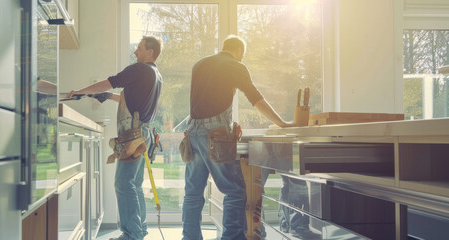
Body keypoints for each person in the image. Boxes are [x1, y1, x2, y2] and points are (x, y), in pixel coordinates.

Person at [182, 35, 294, 240]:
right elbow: (255, 98)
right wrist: (282, 123)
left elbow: (205, 99)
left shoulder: (200, 64)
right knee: (234, 191)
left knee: (193, 193)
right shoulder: (235, 65)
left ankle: (189, 237)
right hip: (215, 135)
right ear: (239, 52)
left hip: (193, 131)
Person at [67, 36, 163, 240]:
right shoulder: (156, 75)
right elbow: (132, 100)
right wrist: (108, 96)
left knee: (123, 183)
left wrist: (81, 92)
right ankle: (140, 230)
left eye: (139, 49)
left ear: (150, 52)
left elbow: (110, 81)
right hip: (142, 133)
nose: (135, 52)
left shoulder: (139, 69)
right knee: (133, 184)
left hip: (132, 136)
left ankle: (131, 235)